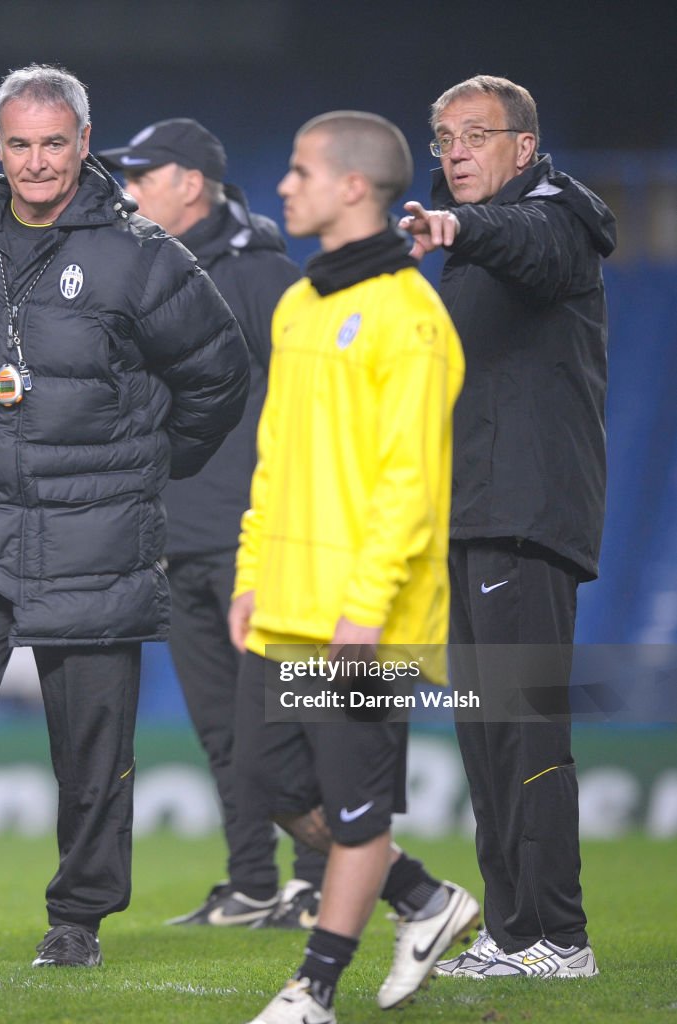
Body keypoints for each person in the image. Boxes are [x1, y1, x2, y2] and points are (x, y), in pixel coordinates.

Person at [0, 64, 249, 969]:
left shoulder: (144, 256)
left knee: (93, 743)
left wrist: (145, 464)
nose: (36, 162)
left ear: (83, 143)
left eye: (53, 142)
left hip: (94, 532)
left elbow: (220, 377)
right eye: (19, 144)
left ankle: (78, 921)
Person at [231, 111, 478, 1022]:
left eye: (299, 171)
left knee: (354, 803)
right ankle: (420, 898)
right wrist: (252, 571)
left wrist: (366, 607)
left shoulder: (411, 317)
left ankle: (314, 989)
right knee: (270, 787)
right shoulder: (301, 305)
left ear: (351, 188)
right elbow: (276, 457)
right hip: (288, 605)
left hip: (364, 619)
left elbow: (407, 483)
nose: (284, 186)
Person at [399, 74, 615, 980]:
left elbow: (530, 241)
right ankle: (514, 932)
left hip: (524, 518)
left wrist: (462, 227)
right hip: (473, 516)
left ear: (522, 147)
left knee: (525, 733)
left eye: (475, 135)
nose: (454, 152)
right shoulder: (477, 255)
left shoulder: (555, 217)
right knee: (487, 740)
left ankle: (559, 936)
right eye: (444, 136)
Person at [98, 119, 326, 929]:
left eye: (142, 175)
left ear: (190, 183)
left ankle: (317, 881)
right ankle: (252, 883)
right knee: (221, 733)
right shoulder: (148, 271)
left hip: (253, 539)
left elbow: (308, 406)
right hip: (177, 539)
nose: (127, 192)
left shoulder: (263, 275)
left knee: (285, 727)